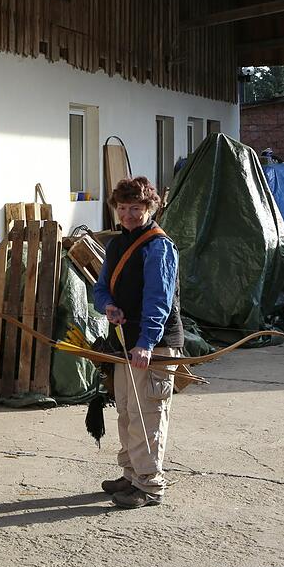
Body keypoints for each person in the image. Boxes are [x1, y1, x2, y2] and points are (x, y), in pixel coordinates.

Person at [92, 176, 183, 510]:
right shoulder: (117, 244)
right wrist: (108, 306)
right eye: (123, 208)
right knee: (128, 413)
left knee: (148, 415)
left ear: (150, 208)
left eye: (136, 208)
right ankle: (131, 475)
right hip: (123, 344)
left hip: (152, 347)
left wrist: (146, 342)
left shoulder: (159, 246)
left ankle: (149, 485)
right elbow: (101, 288)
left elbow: (158, 300)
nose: (128, 214)